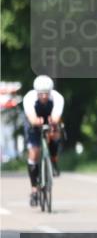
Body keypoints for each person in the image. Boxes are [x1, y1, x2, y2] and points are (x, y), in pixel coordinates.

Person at [22, 75, 65, 207]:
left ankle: (53, 159)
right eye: (41, 94)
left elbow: (57, 116)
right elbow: (32, 118)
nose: (44, 97)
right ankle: (34, 189)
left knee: (55, 134)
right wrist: (37, 122)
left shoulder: (57, 98)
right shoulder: (29, 98)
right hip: (34, 122)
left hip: (50, 119)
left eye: (46, 94)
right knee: (34, 153)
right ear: (37, 93)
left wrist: (53, 122)